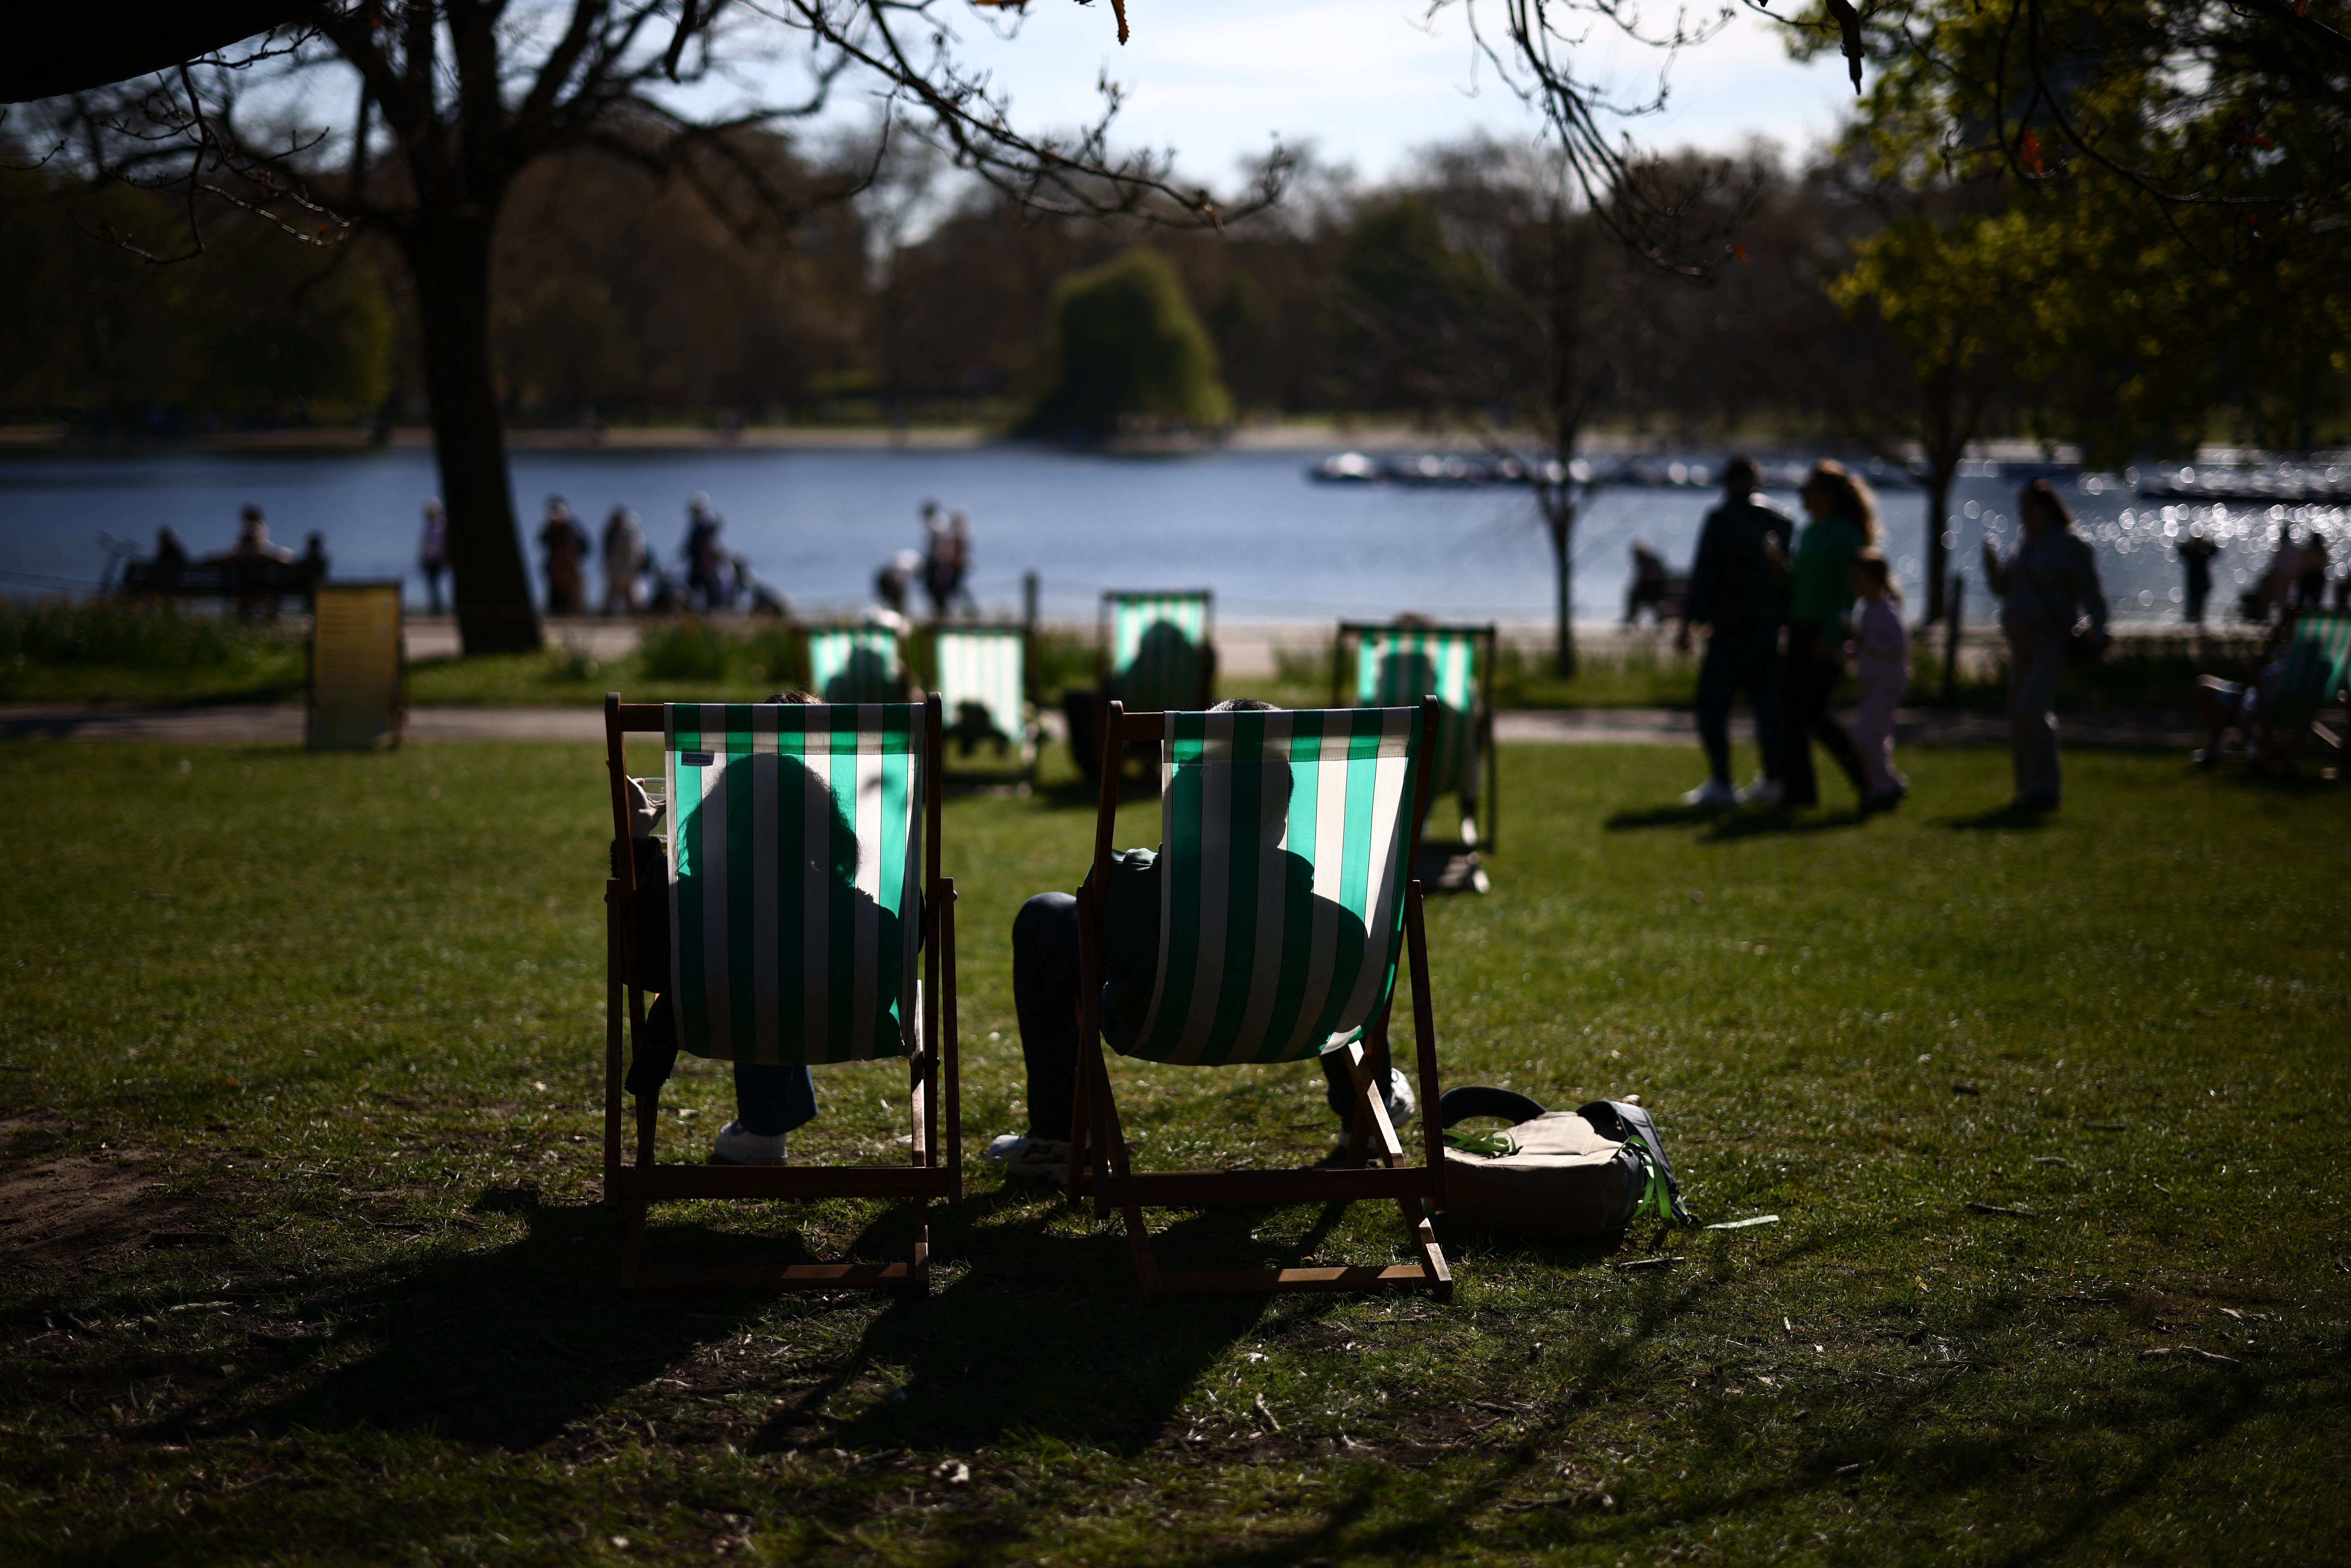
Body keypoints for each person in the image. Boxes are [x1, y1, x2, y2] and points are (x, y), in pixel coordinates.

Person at [986, 699, 1415, 1184]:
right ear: (1282, 820)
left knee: (1050, 914)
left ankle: (1058, 1137)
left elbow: (1105, 933)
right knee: (1326, 949)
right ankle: (1370, 1106)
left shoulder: (1130, 885)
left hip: (1160, 1024)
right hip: (1298, 1027)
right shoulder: (1334, 923)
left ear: (1181, 809)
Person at [613, 690, 901, 1165]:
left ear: (714, 822)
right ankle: (764, 1126)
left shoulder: (694, 910)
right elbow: (893, 959)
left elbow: (638, 959)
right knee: (784, 967)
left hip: (715, 1012)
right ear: (827, 827)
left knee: (755, 961)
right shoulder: (861, 919)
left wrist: (639, 841)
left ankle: (762, 1129)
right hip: (846, 1017)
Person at [1981, 479, 2109, 812]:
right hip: (2021, 644)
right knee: (2019, 713)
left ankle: (2047, 788)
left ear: (2047, 509)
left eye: (2029, 509)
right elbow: (2007, 590)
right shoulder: (2024, 546)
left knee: (2032, 707)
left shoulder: (2068, 544)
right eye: (2021, 509)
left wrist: (2100, 629)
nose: (2023, 515)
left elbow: (2091, 592)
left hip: (2051, 640)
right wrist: (1992, 570)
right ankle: (2028, 787)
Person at [1677, 455, 1793, 808]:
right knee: (1767, 710)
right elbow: (1787, 577)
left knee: (1712, 707)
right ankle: (1773, 778)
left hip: (1729, 631)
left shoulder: (1721, 520)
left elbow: (1705, 575)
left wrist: (1689, 623)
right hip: (1767, 631)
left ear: (1728, 482)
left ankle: (1723, 780)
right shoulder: (1781, 521)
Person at [1779, 462, 1874, 809]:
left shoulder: (1845, 535)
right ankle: (1800, 793)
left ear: (1828, 496)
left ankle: (1867, 781)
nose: (1802, 497)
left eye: (1809, 491)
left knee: (1815, 714)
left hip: (1825, 631)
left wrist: (1832, 635)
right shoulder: (1809, 532)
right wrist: (1782, 569)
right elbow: (1802, 581)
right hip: (1801, 628)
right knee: (1791, 715)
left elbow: (1848, 594)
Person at [1846, 552, 1909, 812]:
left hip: (1888, 683)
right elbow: (1866, 648)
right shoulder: (1865, 610)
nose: (1854, 585)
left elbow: (1898, 646)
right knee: (1877, 736)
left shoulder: (1887, 610)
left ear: (1875, 581)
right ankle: (1881, 788)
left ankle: (1888, 782)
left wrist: (1864, 643)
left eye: (1859, 579)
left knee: (1863, 735)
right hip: (1873, 683)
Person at [538, 497, 587, 616]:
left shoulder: (573, 529)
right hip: (555, 571)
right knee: (555, 600)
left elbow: (585, 549)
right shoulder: (551, 529)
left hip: (570, 571)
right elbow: (542, 542)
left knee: (573, 601)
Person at [682, 493, 726, 611]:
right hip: (699, 563)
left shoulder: (704, 526)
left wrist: (707, 563)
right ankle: (704, 610)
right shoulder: (700, 525)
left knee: (704, 587)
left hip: (703, 564)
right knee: (696, 587)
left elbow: (708, 547)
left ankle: (711, 610)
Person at [601, 506, 646, 615]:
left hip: (626, 569)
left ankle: (634, 616)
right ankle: (608, 615)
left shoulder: (628, 533)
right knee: (614, 595)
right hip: (618, 569)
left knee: (629, 595)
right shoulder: (613, 533)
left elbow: (636, 553)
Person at [2175, 528, 2219, 626]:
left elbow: (2215, 551)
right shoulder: (2195, 555)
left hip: (2199, 583)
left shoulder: (2201, 555)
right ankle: (2193, 621)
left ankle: (2195, 621)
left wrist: (2207, 544)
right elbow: (2181, 551)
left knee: (2197, 604)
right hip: (2196, 583)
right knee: (2194, 604)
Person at [1624, 541, 1671, 626]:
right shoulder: (1652, 562)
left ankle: (1631, 619)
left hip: (1653, 593)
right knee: (1635, 596)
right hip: (1658, 593)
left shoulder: (1648, 564)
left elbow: (1648, 581)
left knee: (1634, 597)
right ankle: (1632, 619)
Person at [418, 499, 450, 616]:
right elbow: (425, 545)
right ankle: (435, 608)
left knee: (435, 584)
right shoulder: (428, 527)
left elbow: (444, 544)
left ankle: (438, 608)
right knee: (431, 584)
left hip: (438, 560)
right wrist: (422, 559)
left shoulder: (441, 526)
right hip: (429, 560)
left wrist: (445, 559)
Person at [2297, 531, 2330, 609]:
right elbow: (2326, 562)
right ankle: (2311, 615)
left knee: (2302, 598)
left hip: (2308, 575)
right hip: (2317, 575)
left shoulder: (2308, 550)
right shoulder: (2322, 551)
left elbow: (2302, 563)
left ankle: (2300, 615)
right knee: (2316, 599)